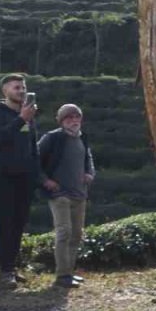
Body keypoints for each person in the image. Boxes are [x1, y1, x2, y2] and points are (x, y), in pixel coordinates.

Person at [0, 74, 40, 288]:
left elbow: (33, 145)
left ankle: (12, 267)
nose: (22, 91)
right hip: (2, 177)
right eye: (17, 87)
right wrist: (21, 119)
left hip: (24, 177)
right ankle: (4, 270)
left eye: (24, 87)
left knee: (18, 222)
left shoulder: (28, 114)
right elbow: (0, 137)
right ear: (5, 91)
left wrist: (36, 173)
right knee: (4, 222)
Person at [37, 104, 94, 288]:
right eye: (69, 118)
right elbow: (33, 160)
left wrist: (90, 173)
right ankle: (62, 276)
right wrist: (45, 180)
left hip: (79, 193)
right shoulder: (52, 138)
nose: (74, 121)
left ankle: (69, 272)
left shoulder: (82, 137)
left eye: (77, 117)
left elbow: (88, 159)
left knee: (76, 234)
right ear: (61, 121)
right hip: (59, 194)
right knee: (64, 232)